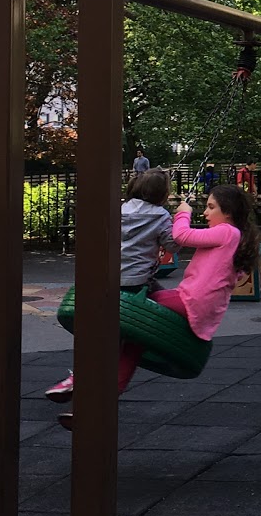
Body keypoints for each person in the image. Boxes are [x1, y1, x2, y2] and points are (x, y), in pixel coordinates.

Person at [49, 184, 259, 427]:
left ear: (229, 212)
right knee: (134, 341)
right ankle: (93, 407)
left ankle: (79, 379)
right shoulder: (235, 239)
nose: (206, 213)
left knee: (124, 311)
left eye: (211, 207)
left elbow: (182, 236)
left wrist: (183, 212)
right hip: (197, 306)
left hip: (189, 301)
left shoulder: (227, 232)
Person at [45, 169, 177, 403]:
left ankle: (74, 380)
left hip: (105, 279)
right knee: (164, 310)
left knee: (101, 336)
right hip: (136, 283)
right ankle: (93, 386)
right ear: (163, 194)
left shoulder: (118, 209)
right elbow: (173, 245)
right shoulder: (161, 215)